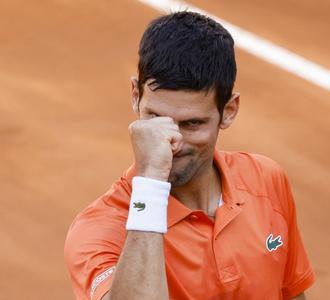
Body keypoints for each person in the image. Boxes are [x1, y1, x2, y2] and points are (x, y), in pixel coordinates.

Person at [64, 11, 315, 300]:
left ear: (229, 111)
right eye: (156, 118)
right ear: (135, 95)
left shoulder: (265, 181)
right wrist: (150, 183)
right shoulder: (101, 231)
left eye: (192, 124)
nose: (172, 141)